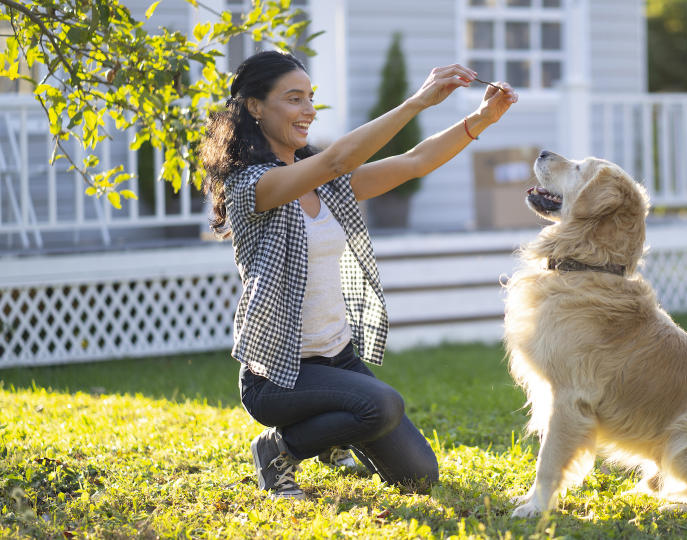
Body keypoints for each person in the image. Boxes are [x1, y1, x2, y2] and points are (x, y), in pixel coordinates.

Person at [200, 50, 517, 499]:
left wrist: (481, 118)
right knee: (383, 403)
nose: (308, 110)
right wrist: (417, 102)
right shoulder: (251, 185)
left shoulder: (324, 185)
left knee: (419, 476)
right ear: (255, 106)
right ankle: (279, 449)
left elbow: (414, 162)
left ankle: (332, 437)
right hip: (279, 376)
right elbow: (336, 160)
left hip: (339, 359)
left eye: (310, 98)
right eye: (293, 99)